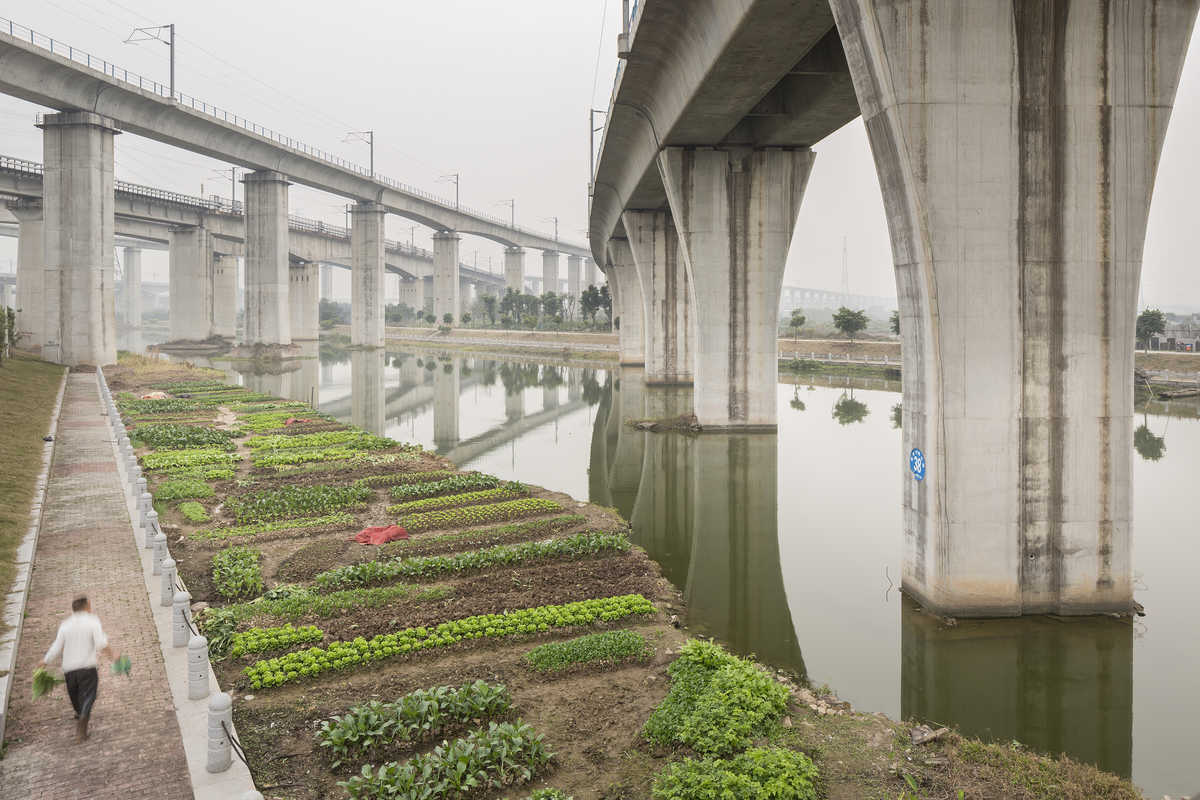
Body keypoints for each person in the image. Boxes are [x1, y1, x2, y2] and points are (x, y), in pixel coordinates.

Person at [37, 594, 116, 742]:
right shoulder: (93, 621)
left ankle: (80, 714)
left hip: (69, 670)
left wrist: (45, 660)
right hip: (87, 667)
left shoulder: (65, 624)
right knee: (89, 695)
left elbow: (57, 646)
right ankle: (83, 720)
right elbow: (100, 643)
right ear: (87, 606)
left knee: (75, 696)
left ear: (73, 609)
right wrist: (113, 656)